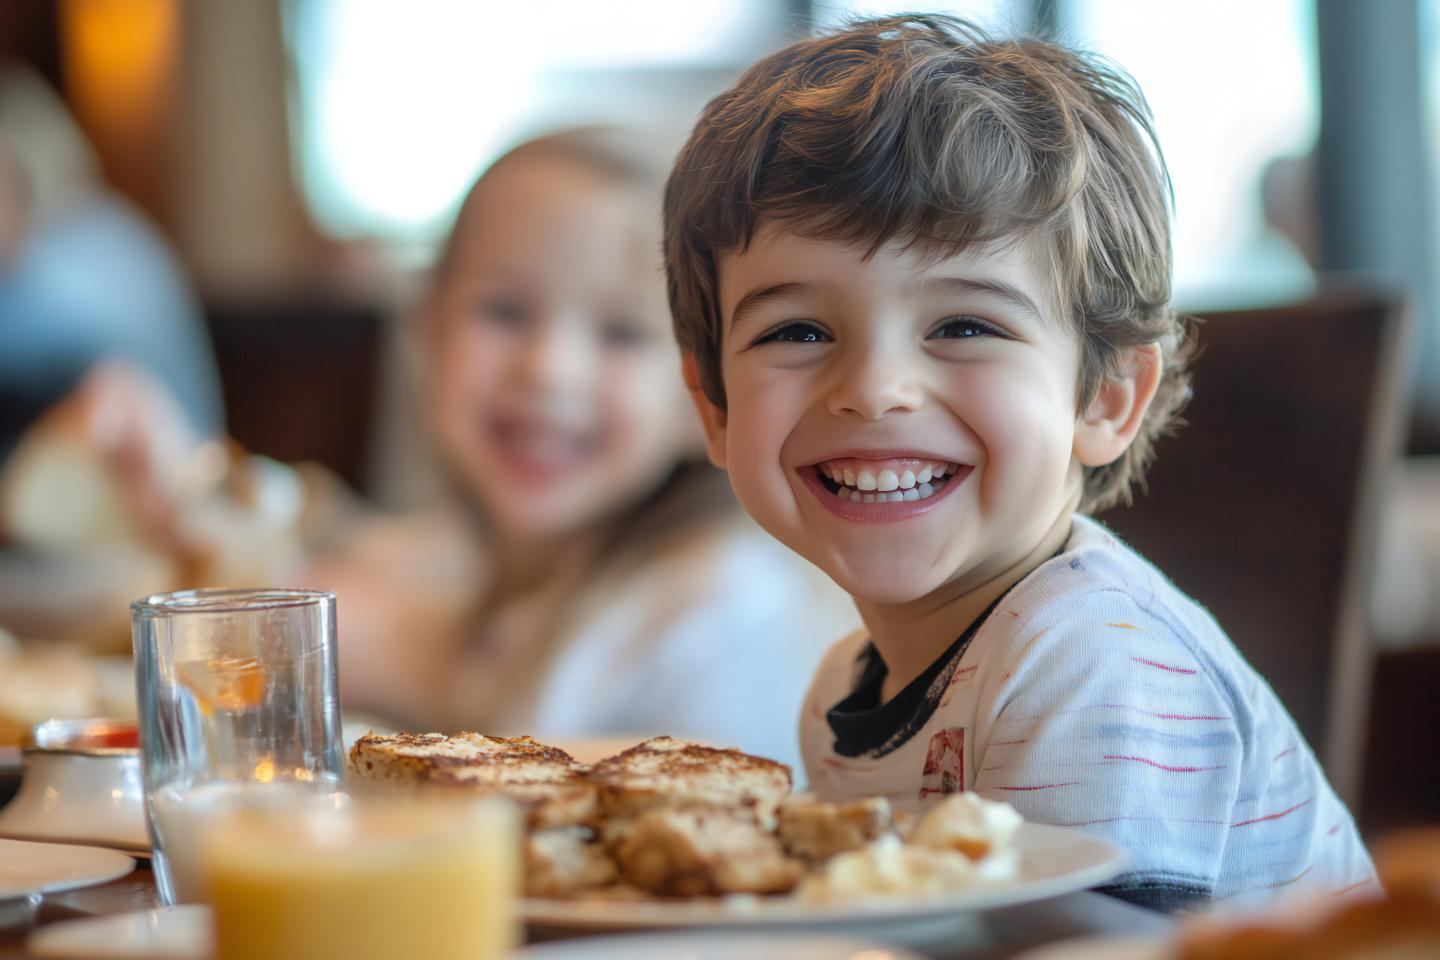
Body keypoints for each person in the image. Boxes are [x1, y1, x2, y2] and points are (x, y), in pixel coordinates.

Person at [662, 16, 1375, 912]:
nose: (875, 389)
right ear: (714, 410)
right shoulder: (840, 696)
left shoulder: (1089, 662)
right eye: (797, 330)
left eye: (965, 325)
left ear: (1106, 397)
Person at [310, 128, 856, 769]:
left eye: (621, 332)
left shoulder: (723, 612)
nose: (550, 370)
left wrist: (406, 665)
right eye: (505, 312)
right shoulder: (466, 558)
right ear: (426, 334)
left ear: (706, 394)